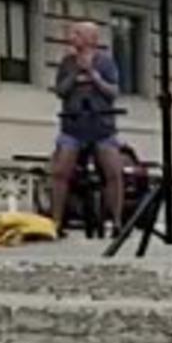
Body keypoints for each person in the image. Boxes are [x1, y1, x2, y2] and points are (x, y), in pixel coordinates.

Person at [51, 21, 124, 237]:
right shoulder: (67, 63)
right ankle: (56, 221)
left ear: (91, 39)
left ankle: (117, 222)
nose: (71, 37)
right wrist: (75, 75)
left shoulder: (106, 62)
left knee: (113, 172)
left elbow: (113, 92)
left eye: (77, 33)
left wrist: (94, 75)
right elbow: (60, 91)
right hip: (73, 126)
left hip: (102, 126)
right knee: (60, 172)